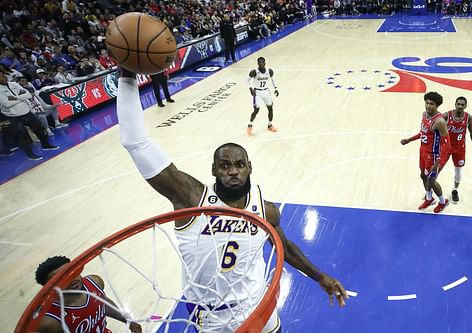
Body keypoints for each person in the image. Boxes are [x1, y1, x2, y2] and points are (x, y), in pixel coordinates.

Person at [116, 68, 348, 332]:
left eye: (239, 164)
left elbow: (284, 245)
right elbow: (135, 141)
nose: (233, 170)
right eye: (224, 166)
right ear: (214, 170)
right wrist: (127, 76)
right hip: (212, 318)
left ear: (250, 167)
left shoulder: (264, 210)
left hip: (259, 306)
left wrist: (319, 276)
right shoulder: (191, 198)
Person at [35, 256, 142, 333]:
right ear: (49, 288)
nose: (72, 280)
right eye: (61, 279)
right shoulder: (49, 322)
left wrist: (127, 320)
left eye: (71, 272)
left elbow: (102, 303)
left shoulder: (95, 282)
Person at [400, 91, 451, 214]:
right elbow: (423, 133)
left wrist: (438, 161)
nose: (428, 106)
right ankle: (429, 198)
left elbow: (447, 144)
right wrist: (409, 140)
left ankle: (443, 201)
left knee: (431, 181)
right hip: (423, 151)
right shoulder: (424, 115)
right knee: (423, 175)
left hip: (433, 155)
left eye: (431, 104)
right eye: (427, 103)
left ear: (437, 106)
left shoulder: (439, 122)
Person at [0, 72, 59, 160]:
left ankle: (46, 145)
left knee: (39, 129)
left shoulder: (14, 84)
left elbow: (27, 95)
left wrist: (14, 98)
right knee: (23, 136)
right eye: (1, 77)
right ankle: (30, 155)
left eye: (3, 75)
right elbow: (6, 103)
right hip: (13, 116)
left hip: (26, 112)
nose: (4, 77)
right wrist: (20, 97)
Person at [442, 97, 472, 203]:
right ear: (455, 104)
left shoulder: (469, 118)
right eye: (458, 104)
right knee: (436, 170)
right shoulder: (446, 116)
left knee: (458, 173)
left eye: (462, 105)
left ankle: (454, 190)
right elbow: (435, 128)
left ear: (465, 106)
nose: (460, 106)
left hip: (459, 149)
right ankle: (430, 190)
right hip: (446, 148)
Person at [247, 57, 279, 136]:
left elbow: (273, 79)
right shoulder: (254, 72)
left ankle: (270, 125)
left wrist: (276, 88)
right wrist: (251, 88)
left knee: (270, 108)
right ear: (257, 64)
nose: (261, 64)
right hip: (257, 92)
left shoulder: (269, 71)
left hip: (266, 91)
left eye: (262, 62)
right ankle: (250, 125)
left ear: (265, 63)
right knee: (256, 110)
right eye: (259, 62)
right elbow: (247, 80)